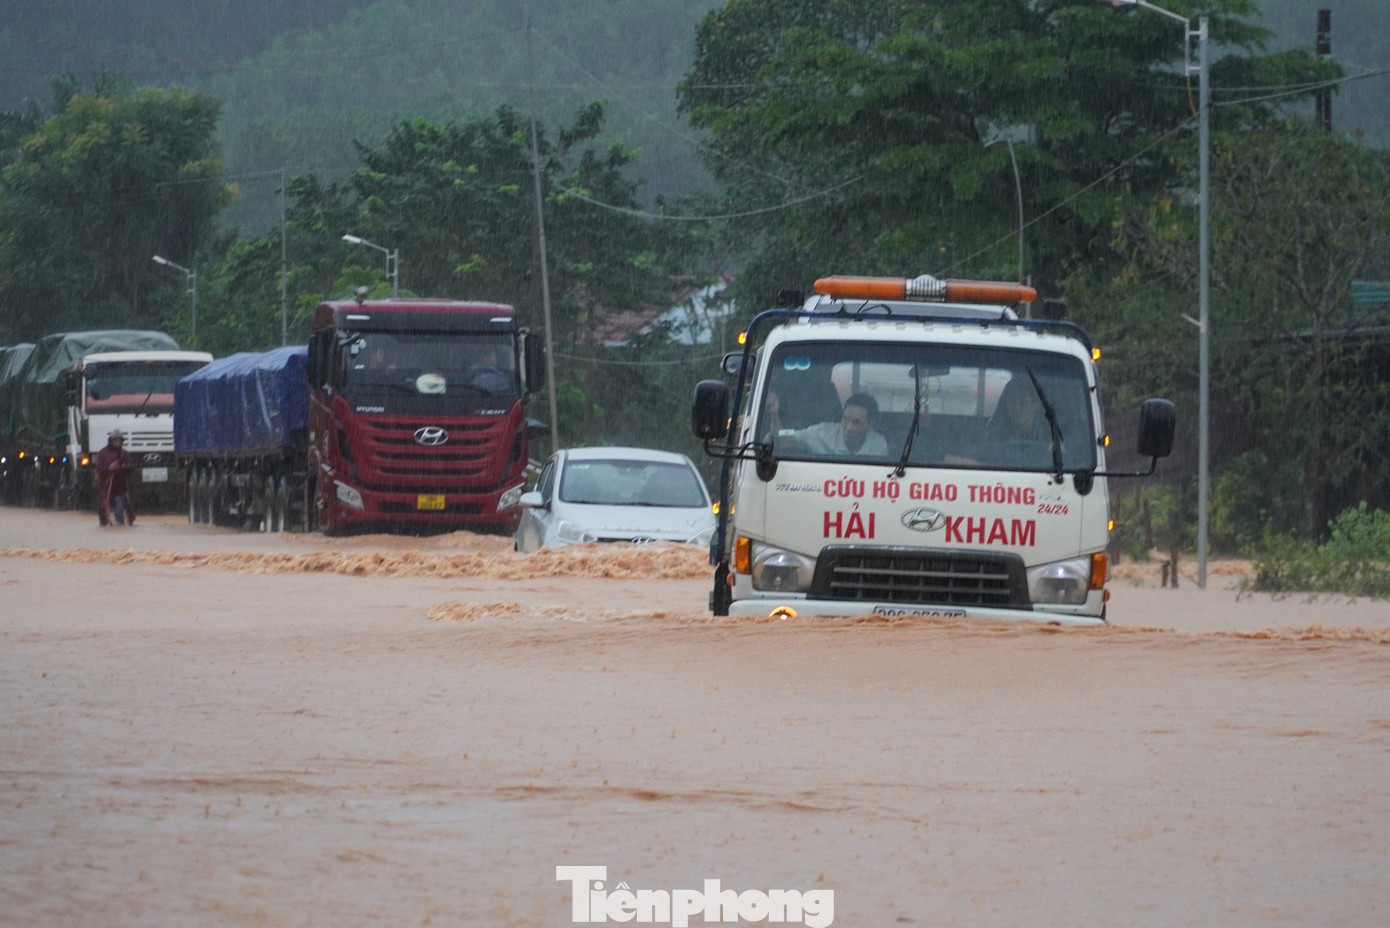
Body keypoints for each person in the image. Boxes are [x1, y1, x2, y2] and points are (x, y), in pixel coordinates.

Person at [766, 391, 888, 457]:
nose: (849, 427)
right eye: (845, 419)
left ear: (870, 424)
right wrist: (774, 413)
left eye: (856, 422)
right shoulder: (822, 432)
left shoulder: (878, 444)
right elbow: (782, 437)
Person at [96, 428, 135, 527]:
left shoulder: (124, 454)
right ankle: (104, 524)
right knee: (103, 511)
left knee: (119, 511)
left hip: (120, 488)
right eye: (115, 440)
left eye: (119, 440)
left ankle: (120, 526)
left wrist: (123, 468)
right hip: (106, 488)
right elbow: (99, 468)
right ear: (111, 441)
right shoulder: (103, 453)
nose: (117, 442)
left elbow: (130, 467)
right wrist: (109, 468)